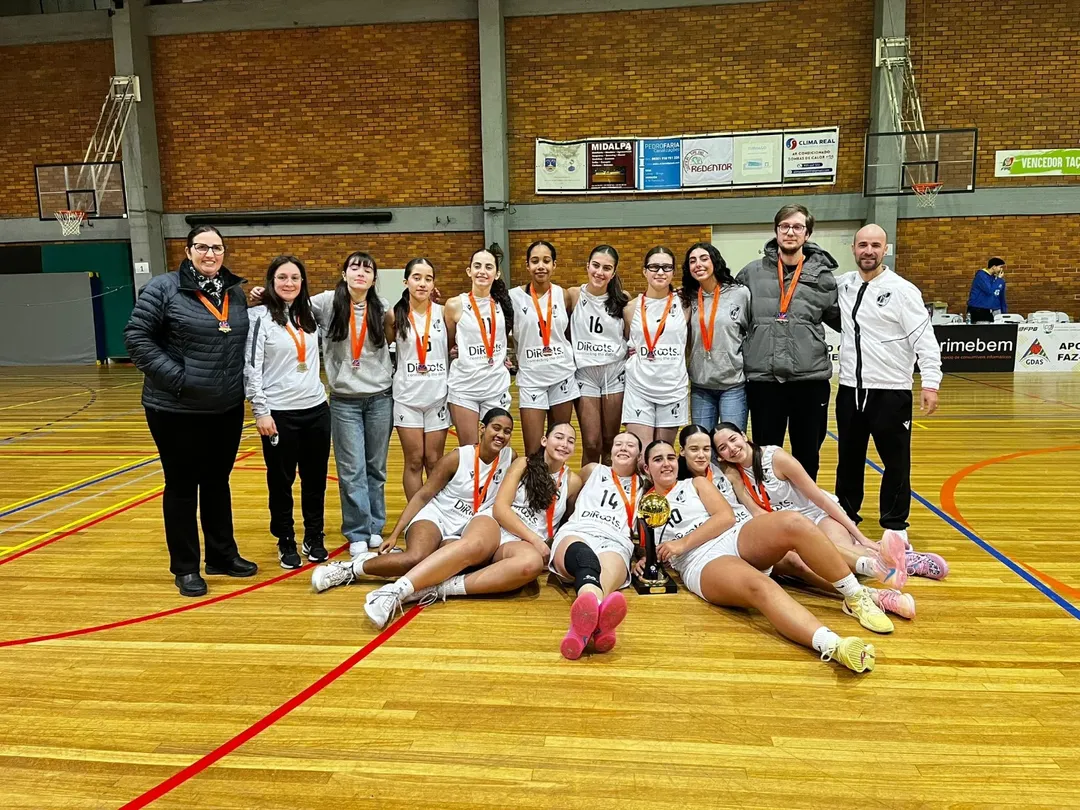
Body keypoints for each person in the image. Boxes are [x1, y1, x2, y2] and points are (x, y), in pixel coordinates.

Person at [637, 440, 888, 673]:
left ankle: (856, 596)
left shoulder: (695, 484)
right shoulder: (642, 505)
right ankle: (835, 646)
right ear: (646, 468)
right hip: (699, 559)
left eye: (670, 457)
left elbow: (725, 518)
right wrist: (644, 559)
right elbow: (644, 546)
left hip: (731, 535)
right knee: (759, 585)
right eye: (658, 459)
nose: (666, 463)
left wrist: (682, 542)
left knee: (793, 522)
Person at [124, 225, 257, 597]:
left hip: (225, 407)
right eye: (202, 247)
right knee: (182, 487)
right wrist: (179, 380)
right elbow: (136, 337)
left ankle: (221, 555)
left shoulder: (234, 291)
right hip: (175, 408)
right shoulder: (163, 288)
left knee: (217, 482)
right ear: (188, 251)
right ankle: (185, 568)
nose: (210, 254)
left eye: (217, 248)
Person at [361, 423, 582, 630]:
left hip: (520, 543)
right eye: (559, 437)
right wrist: (536, 540)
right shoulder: (523, 463)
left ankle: (440, 588)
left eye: (570, 441)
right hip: (497, 523)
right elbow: (500, 509)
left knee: (530, 565)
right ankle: (395, 591)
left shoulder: (573, 482)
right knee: (475, 544)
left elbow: (568, 522)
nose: (564, 444)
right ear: (544, 440)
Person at [695, 425, 915, 619]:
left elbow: (820, 498)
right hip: (793, 529)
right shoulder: (734, 476)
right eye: (723, 448)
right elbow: (760, 515)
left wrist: (861, 536)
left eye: (733, 439)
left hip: (818, 515)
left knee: (836, 554)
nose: (732, 448)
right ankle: (887, 567)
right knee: (824, 562)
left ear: (744, 435)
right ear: (720, 457)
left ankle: (904, 562)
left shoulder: (775, 458)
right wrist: (738, 487)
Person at [833, 225, 948, 580]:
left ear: (886, 250)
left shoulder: (902, 290)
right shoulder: (843, 285)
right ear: (853, 248)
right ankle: (847, 521)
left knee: (896, 463)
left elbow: (924, 339)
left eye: (875, 245)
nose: (868, 250)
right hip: (850, 389)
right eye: (862, 245)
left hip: (891, 392)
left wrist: (931, 382)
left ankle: (896, 528)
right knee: (848, 460)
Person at [310, 408, 515, 592]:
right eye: (496, 428)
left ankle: (387, 561)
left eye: (507, 431)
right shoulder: (458, 457)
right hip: (438, 516)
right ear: (482, 429)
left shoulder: (509, 458)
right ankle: (350, 569)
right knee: (415, 558)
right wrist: (395, 534)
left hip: (466, 528)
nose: (501, 435)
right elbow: (423, 495)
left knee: (462, 563)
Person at [737, 204, 840, 481]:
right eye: (785, 226)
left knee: (807, 453)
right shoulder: (751, 273)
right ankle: (769, 502)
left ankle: (805, 504)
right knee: (765, 454)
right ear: (776, 231)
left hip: (809, 381)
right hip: (764, 380)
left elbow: (843, 320)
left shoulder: (823, 277)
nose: (790, 232)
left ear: (807, 234)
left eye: (797, 227)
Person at [244, 255, 331, 569]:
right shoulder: (258, 316)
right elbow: (251, 367)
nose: (289, 283)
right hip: (279, 414)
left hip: (316, 410)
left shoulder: (309, 313)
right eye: (282, 277)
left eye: (295, 278)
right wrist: (261, 411)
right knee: (281, 482)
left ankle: (314, 536)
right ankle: (286, 539)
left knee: (315, 480)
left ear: (302, 282)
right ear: (271, 281)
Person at [312, 253, 394, 557]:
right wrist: (262, 296)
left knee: (376, 468)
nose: (361, 273)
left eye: (367, 269)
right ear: (344, 273)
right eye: (354, 267)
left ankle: (375, 527)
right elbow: (290, 305)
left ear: (373, 278)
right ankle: (357, 530)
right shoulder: (326, 303)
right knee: (351, 470)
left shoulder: (381, 306)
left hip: (380, 398)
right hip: (344, 402)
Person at [549, 431, 641, 659]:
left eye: (630, 445)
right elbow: (569, 495)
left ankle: (581, 631)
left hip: (616, 541)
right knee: (586, 560)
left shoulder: (645, 485)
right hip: (579, 532)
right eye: (618, 443)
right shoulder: (592, 470)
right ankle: (596, 623)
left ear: (640, 456)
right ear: (610, 451)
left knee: (604, 579)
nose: (623, 447)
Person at [390, 258, 450, 501]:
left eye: (428, 278)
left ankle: (436, 514)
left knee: (434, 461)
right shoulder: (394, 315)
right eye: (417, 278)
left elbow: (453, 345)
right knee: (414, 460)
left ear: (434, 283)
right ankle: (416, 515)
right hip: (407, 398)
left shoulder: (444, 313)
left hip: (437, 397)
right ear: (406, 281)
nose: (422, 283)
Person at [510, 241, 577, 454]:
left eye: (546, 261)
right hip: (531, 378)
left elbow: (569, 332)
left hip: (561, 375)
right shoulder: (513, 297)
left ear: (554, 265)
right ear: (527, 265)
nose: (541, 266)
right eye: (535, 261)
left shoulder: (564, 295)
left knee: (558, 447)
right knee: (533, 450)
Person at [444, 248, 515, 445]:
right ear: (469, 271)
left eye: (488, 267)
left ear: (497, 274)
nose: (482, 271)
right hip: (464, 387)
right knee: (470, 450)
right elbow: (450, 342)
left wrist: (502, 356)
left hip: (495, 386)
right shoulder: (454, 305)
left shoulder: (505, 304)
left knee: (497, 448)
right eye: (477, 266)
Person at [622, 246, 689, 449]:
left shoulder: (686, 304)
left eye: (666, 267)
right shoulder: (630, 308)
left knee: (662, 453)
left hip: (673, 388)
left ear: (673, 272)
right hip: (639, 387)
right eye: (654, 267)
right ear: (644, 271)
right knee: (641, 454)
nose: (660, 272)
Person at [568, 245, 629, 465]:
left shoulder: (622, 299)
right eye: (596, 265)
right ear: (587, 266)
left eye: (606, 268)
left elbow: (630, 336)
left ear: (613, 272)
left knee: (610, 441)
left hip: (614, 372)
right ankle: (589, 484)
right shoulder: (573, 295)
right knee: (591, 443)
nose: (599, 272)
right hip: (585, 374)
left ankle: (610, 482)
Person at [682, 242, 750, 431]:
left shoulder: (740, 294)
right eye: (692, 261)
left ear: (715, 261)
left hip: (733, 385)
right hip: (700, 385)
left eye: (704, 259)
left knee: (732, 442)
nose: (698, 264)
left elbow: (751, 331)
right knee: (702, 443)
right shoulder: (687, 298)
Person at [966, 257, 1007, 323]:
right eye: (1000, 267)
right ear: (994, 267)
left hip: (994, 310)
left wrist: (1004, 312)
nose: (1001, 269)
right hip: (979, 309)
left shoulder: (998, 280)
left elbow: (1001, 297)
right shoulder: (981, 276)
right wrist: (998, 279)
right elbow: (989, 290)